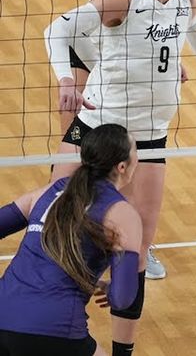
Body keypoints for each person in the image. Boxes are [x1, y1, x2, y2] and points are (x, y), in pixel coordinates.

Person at [44, 0, 196, 355]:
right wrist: (67, 79)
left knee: (138, 246)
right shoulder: (123, 0)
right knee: (54, 211)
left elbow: (194, 29)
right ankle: (52, 316)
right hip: (99, 128)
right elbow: (57, 31)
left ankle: (122, 351)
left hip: (150, 134)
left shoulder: (183, 1)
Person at [60, 0, 188, 281]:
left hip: (140, 115)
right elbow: (70, 38)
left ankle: (129, 247)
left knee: (128, 186)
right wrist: (72, 83)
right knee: (72, 175)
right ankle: (69, 241)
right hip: (94, 81)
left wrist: (167, 62)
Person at [0, 124, 142, 356]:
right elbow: (123, 299)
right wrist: (113, 289)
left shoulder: (47, 192)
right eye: (136, 149)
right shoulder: (122, 214)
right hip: (53, 329)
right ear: (123, 166)